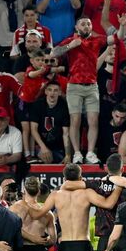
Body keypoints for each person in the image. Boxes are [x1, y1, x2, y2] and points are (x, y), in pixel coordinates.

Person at [28, 164, 124, 251]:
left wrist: (26, 202)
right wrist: (118, 188)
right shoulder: (87, 193)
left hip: (65, 246)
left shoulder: (55, 195)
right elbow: (109, 204)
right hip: (82, 245)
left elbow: (36, 215)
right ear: (81, 178)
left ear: (64, 179)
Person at [53, 17, 107, 164]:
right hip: (74, 85)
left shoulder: (97, 40)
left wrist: (121, 27)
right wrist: (70, 46)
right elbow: (53, 53)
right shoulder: (71, 40)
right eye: (83, 24)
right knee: (75, 120)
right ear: (77, 27)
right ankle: (77, 153)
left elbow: (117, 39)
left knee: (93, 121)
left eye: (89, 24)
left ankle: (90, 153)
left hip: (92, 86)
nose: (86, 26)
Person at [8, 177, 57, 251]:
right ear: (39, 192)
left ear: (24, 191)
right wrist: (41, 240)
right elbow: (53, 240)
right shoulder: (47, 213)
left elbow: (11, 229)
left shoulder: (15, 208)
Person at [30, 82, 71, 163]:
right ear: (45, 92)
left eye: (55, 90)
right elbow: (33, 130)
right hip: (40, 145)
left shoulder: (64, 107)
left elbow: (66, 134)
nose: (52, 93)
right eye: (50, 90)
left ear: (59, 93)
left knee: (63, 161)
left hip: (58, 148)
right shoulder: (37, 105)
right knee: (46, 157)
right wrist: (43, 148)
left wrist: (68, 155)